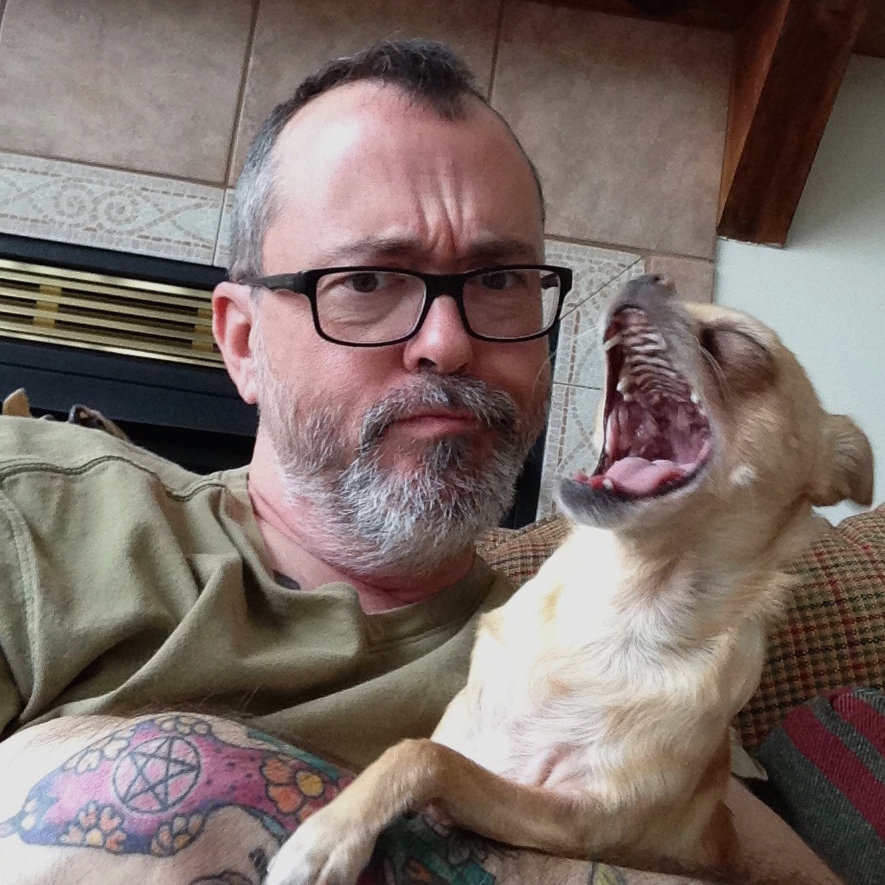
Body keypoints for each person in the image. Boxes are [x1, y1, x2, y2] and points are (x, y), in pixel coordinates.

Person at [0, 39, 844, 885]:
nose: (447, 341)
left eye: (499, 280)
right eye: (367, 281)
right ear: (245, 342)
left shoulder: (612, 651)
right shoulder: (42, 512)